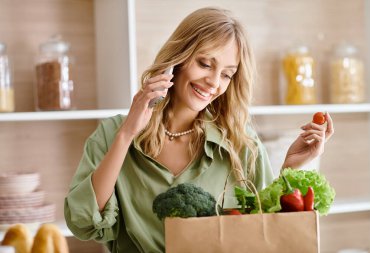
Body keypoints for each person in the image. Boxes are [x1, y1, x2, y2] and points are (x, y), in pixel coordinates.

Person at [64, 7, 334, 253]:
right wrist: (126, 136)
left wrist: (291, 168)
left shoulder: (241, 143)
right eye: (205, 64)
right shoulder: (112, 134)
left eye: (227, 74)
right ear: (177, 59)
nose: (214, 82)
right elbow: (83, 222)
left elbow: (264, 232)